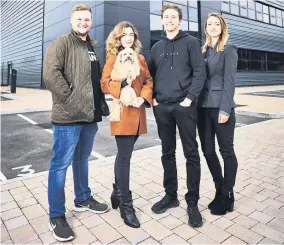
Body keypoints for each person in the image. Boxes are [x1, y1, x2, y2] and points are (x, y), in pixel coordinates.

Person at [43, 4, 109, 242]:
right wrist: (70, 99)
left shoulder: (91, 46)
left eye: (87, 19)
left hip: (90, 117)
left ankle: (82, 198)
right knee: (60, 165)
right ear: (72, 21)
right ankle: (56, 216)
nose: (84, 22)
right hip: (69, 117)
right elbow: (51, 74)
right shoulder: (62, 43)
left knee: (82, 160)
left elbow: (94, 79)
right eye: (80, 19)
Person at [148, 4, 206, 228]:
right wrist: (152, 98)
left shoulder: (191, 43)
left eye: (174, 16)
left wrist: (190, 98)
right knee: (167, 152)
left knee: (191, 153)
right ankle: (171, 196)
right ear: (162, 20)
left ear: (179, 20)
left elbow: (200, 72)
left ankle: (192, 202)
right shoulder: (156, 47)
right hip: (162, 107)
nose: (170, 20)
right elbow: (150, 75)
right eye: (166, 16)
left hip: (185, 106)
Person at [101, 21, 153, 228]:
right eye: (124, 35)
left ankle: (116, 191)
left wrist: (144, 97)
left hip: (138, 111)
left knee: (123, 155)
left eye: (131, 34)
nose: (129, 38)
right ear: (118, 38)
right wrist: (122, 84)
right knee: (125, 157)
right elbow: (104, 83)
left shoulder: (140, 58)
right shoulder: (113, 57)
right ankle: (126, 204)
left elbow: (149, 81)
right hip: (122, 113)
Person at [197, 12, 238, 215]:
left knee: (226, 152)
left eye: (216, 24)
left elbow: (230, 81)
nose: (212, 27)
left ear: (222, 27)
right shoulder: (203, 51)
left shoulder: (228, 50)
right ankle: (219, 189)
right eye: (209, 24)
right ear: (205, 28)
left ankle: (227, 194)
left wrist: (225, 109)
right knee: (208, 151)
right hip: (203, 109)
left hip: (220, 107)